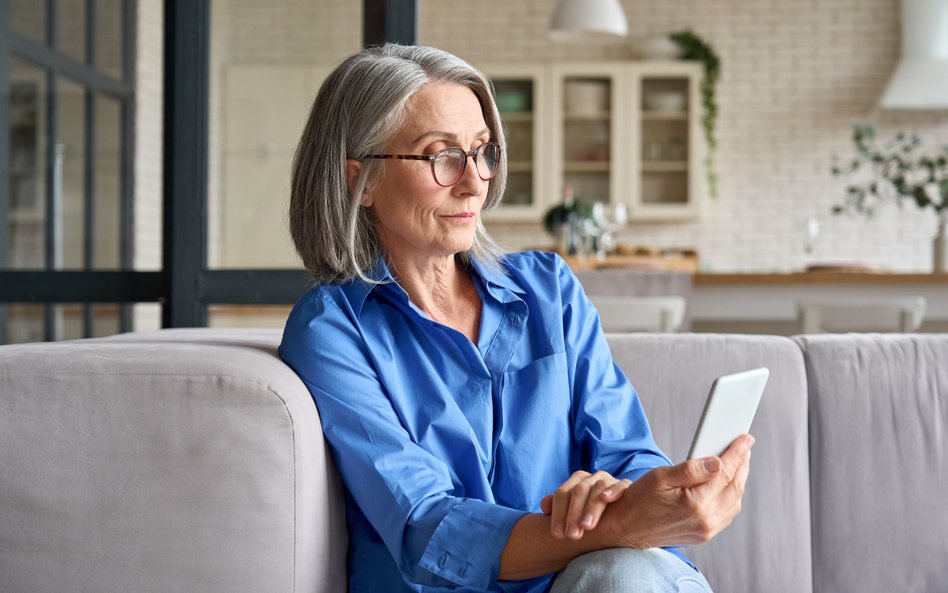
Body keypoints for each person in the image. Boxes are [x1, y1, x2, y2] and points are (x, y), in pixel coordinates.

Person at [279, 43, 753, 593]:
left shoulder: (548, 289)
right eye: (441, 155)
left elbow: (627, 451)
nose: (474, 180)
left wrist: (627, 497)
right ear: (360, 181)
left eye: (482, 151)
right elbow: (424, 526)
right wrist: (616, 524)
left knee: (626, 573)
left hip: (598, 581)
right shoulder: (333, 330)